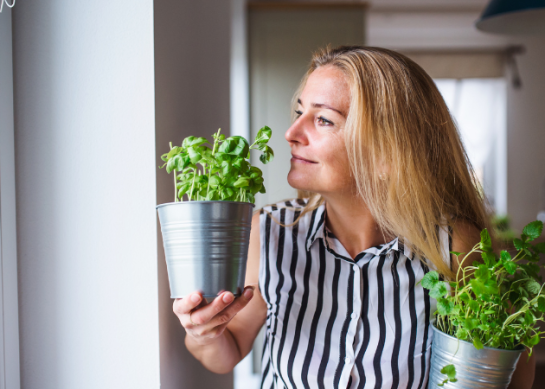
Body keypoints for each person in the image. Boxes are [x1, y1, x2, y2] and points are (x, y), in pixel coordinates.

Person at [173, 46, 535, 388]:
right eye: (300, 112)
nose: (291, 133)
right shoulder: (269, 232)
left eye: (324, 120)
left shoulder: (455, 246)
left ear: (387, 151)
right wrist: (203, 332)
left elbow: (509, 373)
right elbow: (227, 351)